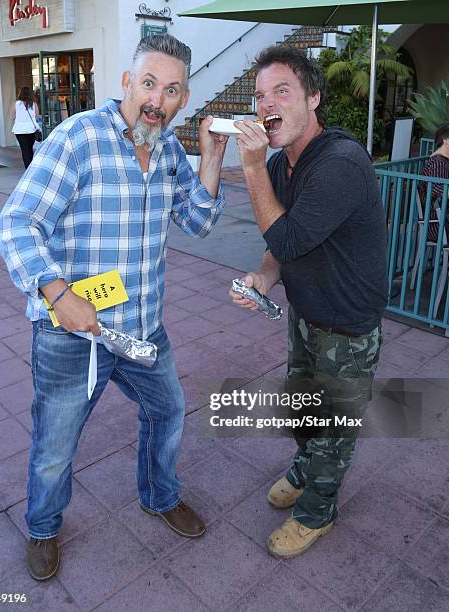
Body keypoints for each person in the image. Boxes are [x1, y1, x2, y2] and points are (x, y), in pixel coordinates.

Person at [0, 34, 228, 581]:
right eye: (149, 83)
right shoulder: (79, 139)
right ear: (126, 82)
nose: (158, 99)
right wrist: (58, 293)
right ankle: (44, 527)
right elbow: (16, 224)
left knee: (169, 410)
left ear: (183, 98)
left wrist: (213, 160)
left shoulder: (169, 149)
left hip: (143, 329)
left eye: (171, 90)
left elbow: (198, 222)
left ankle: (160, 495)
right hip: (74, 333)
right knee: (55, 444)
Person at [229, 45, 387, 558]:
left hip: (348, 324)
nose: (266, 104)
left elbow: (292, 239)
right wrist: (264, 278)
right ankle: (303, 469)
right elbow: (283, 244)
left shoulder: (340, 163)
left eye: (281, 91)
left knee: (334, 429)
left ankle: (319, 511)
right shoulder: (282, 165)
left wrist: (250, 167)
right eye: (259, 96)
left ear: (313, 98)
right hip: (305, 314)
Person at [418, 123, 449, 239]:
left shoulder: (442, 161)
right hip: (438, 223)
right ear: (445, 140)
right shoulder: (437, 163)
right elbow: (442, 191)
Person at [10, 86, 40, 168]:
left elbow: (12, 117)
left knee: (24, 150)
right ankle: (31, 167)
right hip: (31, 129)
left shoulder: (16, 104)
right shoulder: (34, 104)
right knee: (30, 148)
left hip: (19, 130)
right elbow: (37, 117)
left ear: (20, 94)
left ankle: (27, 168)